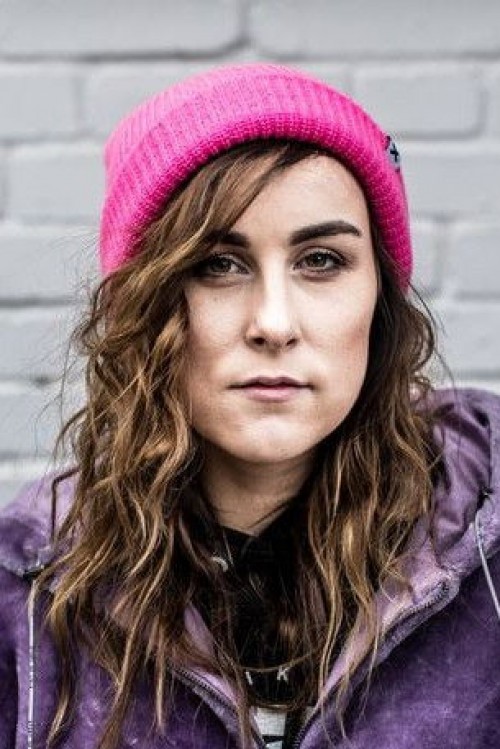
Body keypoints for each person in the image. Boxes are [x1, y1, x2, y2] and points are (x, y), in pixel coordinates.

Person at [0, 63, 499, 749]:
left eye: (321, 260)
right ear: (139, 304)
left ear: (379, 298)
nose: (273, 323)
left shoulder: (485, 551)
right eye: (217, 264)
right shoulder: (27, 596)